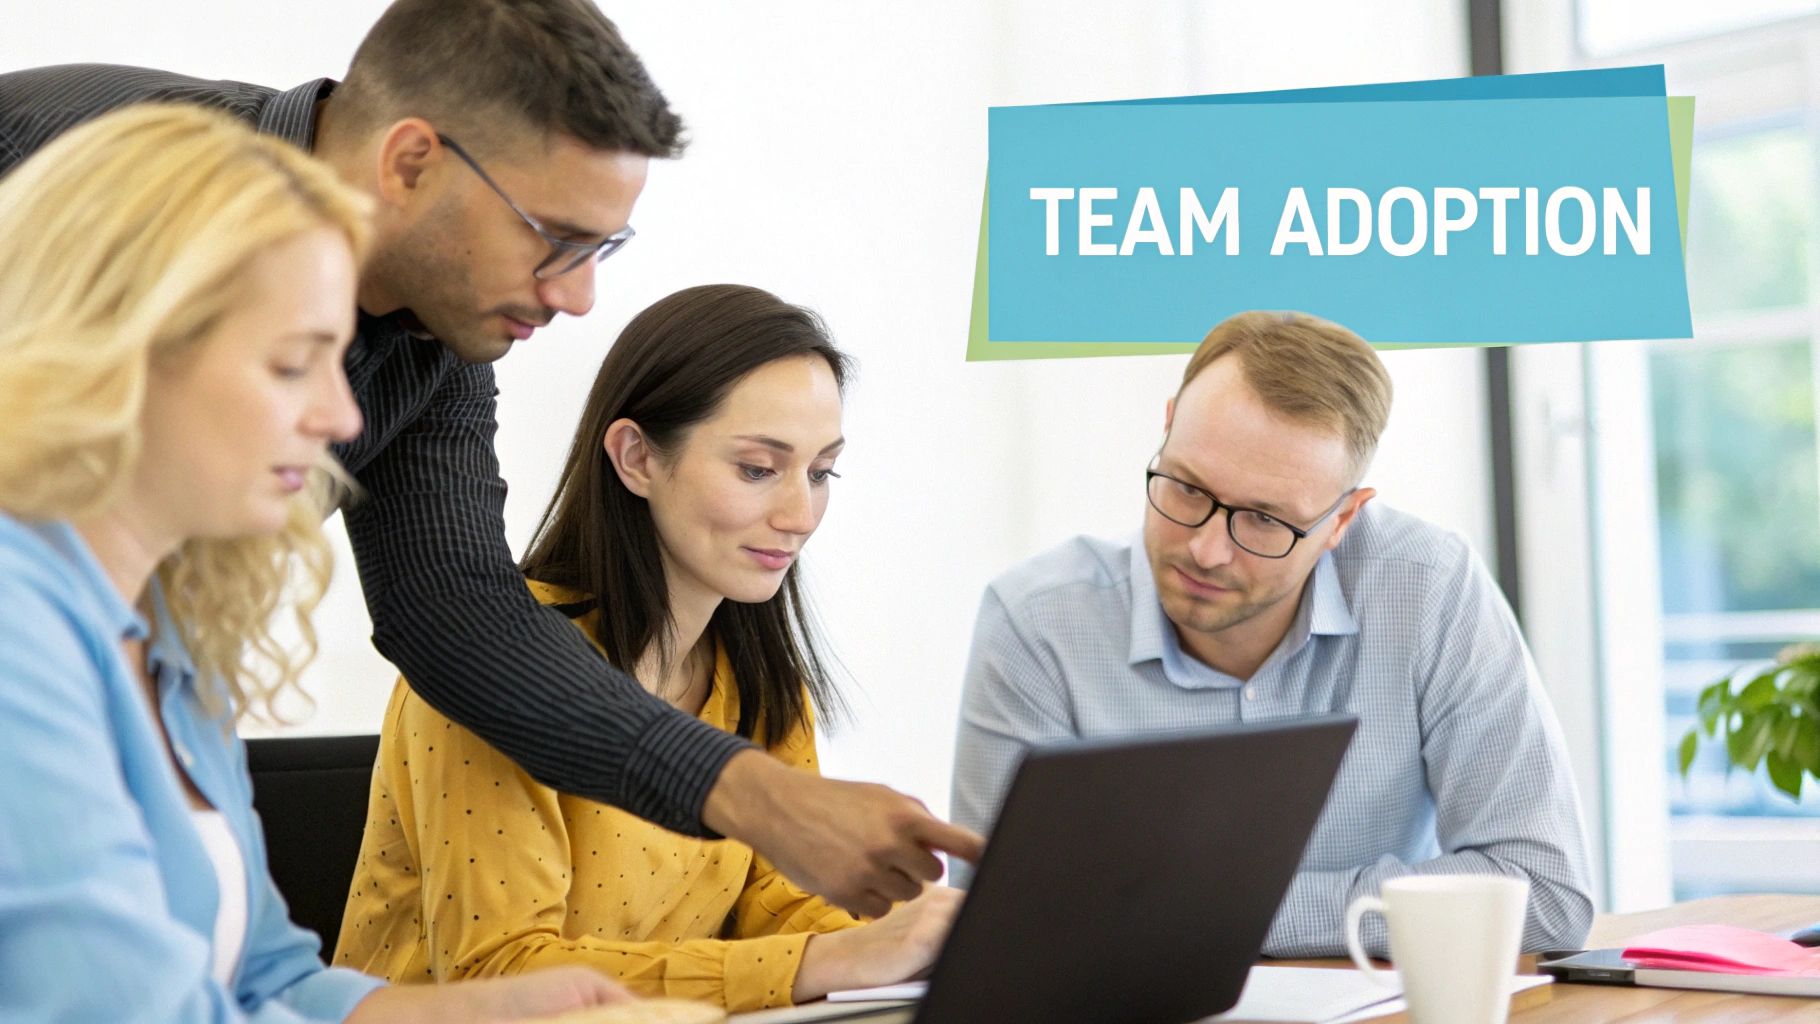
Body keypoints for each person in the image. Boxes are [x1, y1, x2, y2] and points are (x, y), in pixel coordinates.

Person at [0, 0, 980, 915]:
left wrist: (748, 793)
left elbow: (451, 607)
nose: (579, 297)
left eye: (605, 247)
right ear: (411, 161)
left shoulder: (432, 333)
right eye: (554, 238)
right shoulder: (78, 176)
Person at [0, 103, 636, 1022]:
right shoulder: (19, 631)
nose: (344, 419)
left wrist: (505, 1013)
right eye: (296, 363)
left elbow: (269, 982)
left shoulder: (168, 635)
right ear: (121, 352)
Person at [335, 285, 962, 1011]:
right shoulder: (486, 674)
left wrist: (910, 941)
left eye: (821, 473)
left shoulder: (761, 680)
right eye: (758, 469)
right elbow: (500, 973)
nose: (800, 515)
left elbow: (783, 912)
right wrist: (828, 958)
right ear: (635, 457)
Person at [950, 310, 1595, 957]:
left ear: (1342, 519)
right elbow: (996, 923)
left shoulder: (1427, 590)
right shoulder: (1037, 624)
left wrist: (1213, 912)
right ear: (1169, 424)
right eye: (1187, 486)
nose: (1205, 549)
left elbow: (1546, 892)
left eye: (1263, 520)